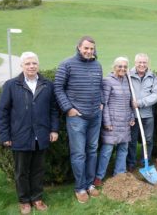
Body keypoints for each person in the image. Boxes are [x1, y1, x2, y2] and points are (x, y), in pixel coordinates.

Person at [0, 52, 59, 214]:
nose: (31, 66)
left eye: (34, 63)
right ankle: (24, 201)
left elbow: (53, 109)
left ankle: (37, 198)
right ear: (22, 66)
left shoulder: (47, 85)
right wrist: (5, 136)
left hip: (42, 135)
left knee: (38, 170)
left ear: (38, 65)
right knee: (21, 172)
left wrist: (54, 129)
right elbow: (2, 112)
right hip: (20, 136)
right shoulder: (11, 85)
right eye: (28, 64)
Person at [54, 36, 104, 203]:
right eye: (86, 48)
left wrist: (101, 102)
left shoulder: (97, 65)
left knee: (92, 151)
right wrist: (69, 109)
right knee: (79, 154)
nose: (89, 51)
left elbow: (100, 86)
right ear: (79, 47)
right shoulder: (66, 64)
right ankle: (80, 187)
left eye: (92, 49)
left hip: (95, 116)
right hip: (77, 118)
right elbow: (58, 88)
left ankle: (90, 185)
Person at [94, 57, 135, 186]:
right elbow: (104, 103)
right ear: (114, 67)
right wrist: (106, 122)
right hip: (112, 122)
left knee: (123, 149)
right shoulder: (107, 81)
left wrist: (132, 117)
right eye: (119, 66)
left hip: (125, 122)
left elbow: (130, 102)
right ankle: (99, 176)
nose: (122, 69)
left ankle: (119, 174)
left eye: (125, 67)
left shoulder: (127, 81)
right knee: (107, 151)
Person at [127, 53, 157, 172]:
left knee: (149, 139)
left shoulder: (152, 76)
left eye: (144, 62)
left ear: (147, 64)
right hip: (133, 115)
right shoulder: (128, 76)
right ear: (135, 63)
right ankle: (131, 162)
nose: (142, 65)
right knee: (132, 140)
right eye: (139, 62)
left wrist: (140, 102)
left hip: (147, 114)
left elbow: (156, 95)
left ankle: (145, 161)